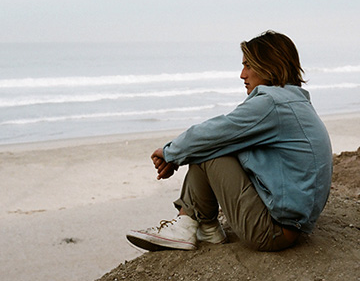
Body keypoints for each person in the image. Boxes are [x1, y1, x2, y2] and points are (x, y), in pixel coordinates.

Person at [126, 31, 333, 252]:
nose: (242, 74)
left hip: (271, 232)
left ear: (268, 66)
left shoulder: (271, 104)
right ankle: (204, 228)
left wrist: (169, 153)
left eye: (248, 66)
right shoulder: (293, 100)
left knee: (209, 147)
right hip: (291, 225)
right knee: (216, 144)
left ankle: (188, 224)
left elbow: (212, 134)